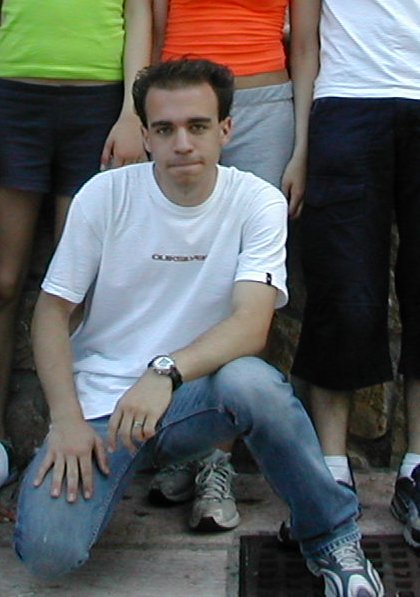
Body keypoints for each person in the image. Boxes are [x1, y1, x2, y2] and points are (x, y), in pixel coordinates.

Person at [13, 59, 383, 596]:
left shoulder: (256, 201)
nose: (182, 143)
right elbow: (51, 312)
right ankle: (94, 476)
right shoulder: (104, 195)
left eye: (198, 126)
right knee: (49, 552)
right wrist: (65, 420)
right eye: (165, 129)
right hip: (102, 411)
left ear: (225, 129)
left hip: (192, 401)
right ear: (145, 136)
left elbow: (251, 326)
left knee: (254, 383)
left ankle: (333, 537)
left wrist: (164, 373)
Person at [148, 0, 317, 530]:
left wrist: (303, 147)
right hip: (181, 110)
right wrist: (139, 119)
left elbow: (304, 46)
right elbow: (154, 30)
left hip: (265, 107)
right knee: (182, 272)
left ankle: (215, 464)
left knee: (244, 284)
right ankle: (187, 444)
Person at [0, 0, 152, 489]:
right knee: (3, 282)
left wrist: (132, 112)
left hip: (99, 103)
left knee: (78, 289)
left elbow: (139, 14)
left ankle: (67, 434)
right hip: (13, 93)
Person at [290, 0, 420, 549]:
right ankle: (331, 473)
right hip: (345, 102)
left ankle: (416, 469)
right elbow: (304, 41)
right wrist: (301, 147)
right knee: (340, 290)